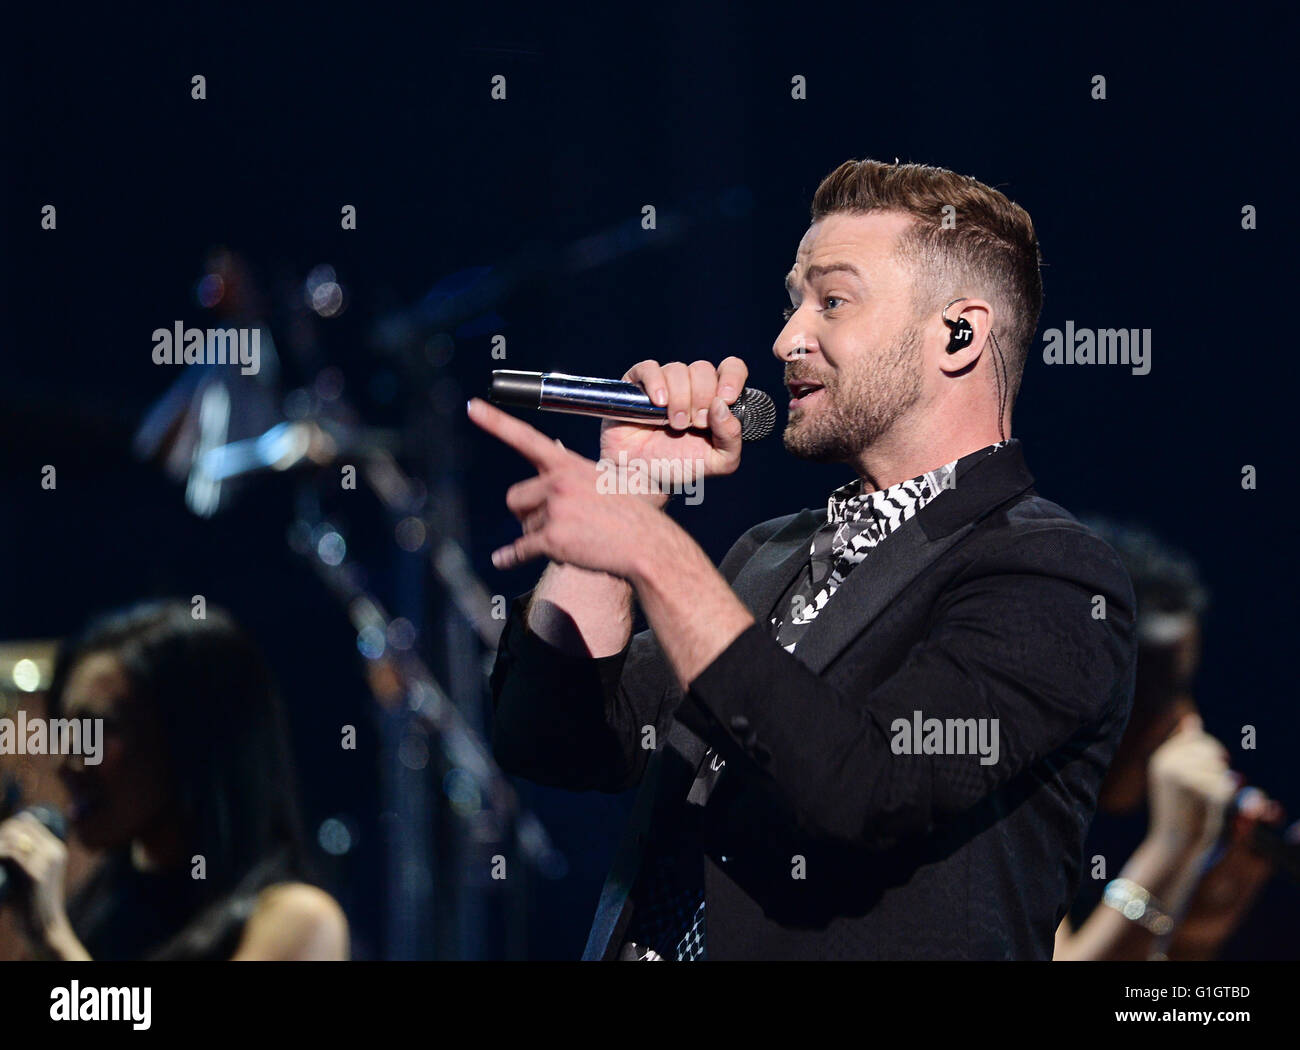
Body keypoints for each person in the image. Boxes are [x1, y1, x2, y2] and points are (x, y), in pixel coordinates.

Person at [471, 158, 1138, 960]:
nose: (788, 338)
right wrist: (627, 494)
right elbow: (552, 740)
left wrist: (660, 557)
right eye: (794, 303)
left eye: (832, 301)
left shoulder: (1051, 575)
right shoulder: (773, 553)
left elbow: (868, 784)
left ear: (958, 334)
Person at [0, 600, 348, 960]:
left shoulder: (300, 920)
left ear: (191, 741)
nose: (65, 762)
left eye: (100, 729)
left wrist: (54, 939)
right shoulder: (92, 909)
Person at [1053, 521, 1283, 960]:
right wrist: (1172, 847)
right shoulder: (967, 811)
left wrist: (1196, 932)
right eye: (1159, 696)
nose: (1187, 722)